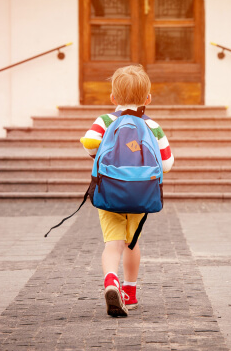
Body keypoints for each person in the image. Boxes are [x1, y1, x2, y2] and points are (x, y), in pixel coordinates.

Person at [80, 65, 174, 317]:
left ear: (113, 98)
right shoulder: (152, 125)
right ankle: (130, 293)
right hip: (140, 194)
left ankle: (111, 281)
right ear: (148, 99)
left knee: (113, 244)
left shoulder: (105, 120)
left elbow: (89, 142)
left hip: (109, 191)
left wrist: (98, 155)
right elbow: (166, 163)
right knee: (132, 243)